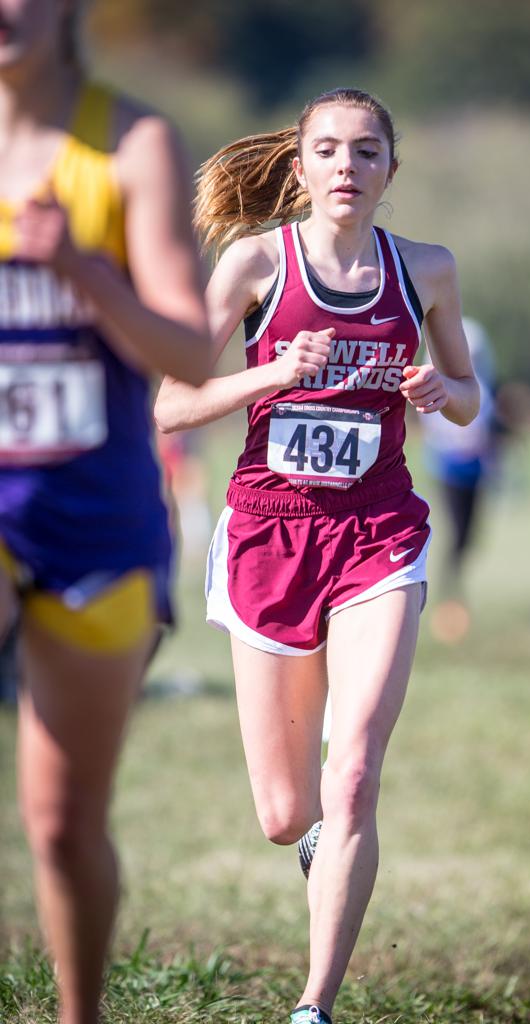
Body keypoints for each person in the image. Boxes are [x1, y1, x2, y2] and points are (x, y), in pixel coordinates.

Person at [154, 87, 479, 1024]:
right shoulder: (254, 263)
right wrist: (276, 371)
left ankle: (313, 1006)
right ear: (300, 169)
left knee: (354, 773)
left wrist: (435, 386)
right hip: (267, 535)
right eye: (329, 150)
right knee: (285, 812)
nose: (347, 166)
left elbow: (469, 395)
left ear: (389, 170)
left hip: (378, 532)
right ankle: (315, 841)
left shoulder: (427, 269)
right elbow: (169, 405)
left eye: (367, 151)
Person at [0, 3, 211, 1022]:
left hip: (96, 515)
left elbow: (190, 352)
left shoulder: (130, 142)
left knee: (62, 824)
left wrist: (81, 270)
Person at [419, 316, 503, 643]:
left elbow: (490, 428)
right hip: (449, 468)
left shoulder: (483, 386)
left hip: (477, 470)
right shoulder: (438, 381)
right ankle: (449, 596)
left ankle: (454, 589)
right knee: (456, 534)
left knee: (470, 537)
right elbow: (438, 429)